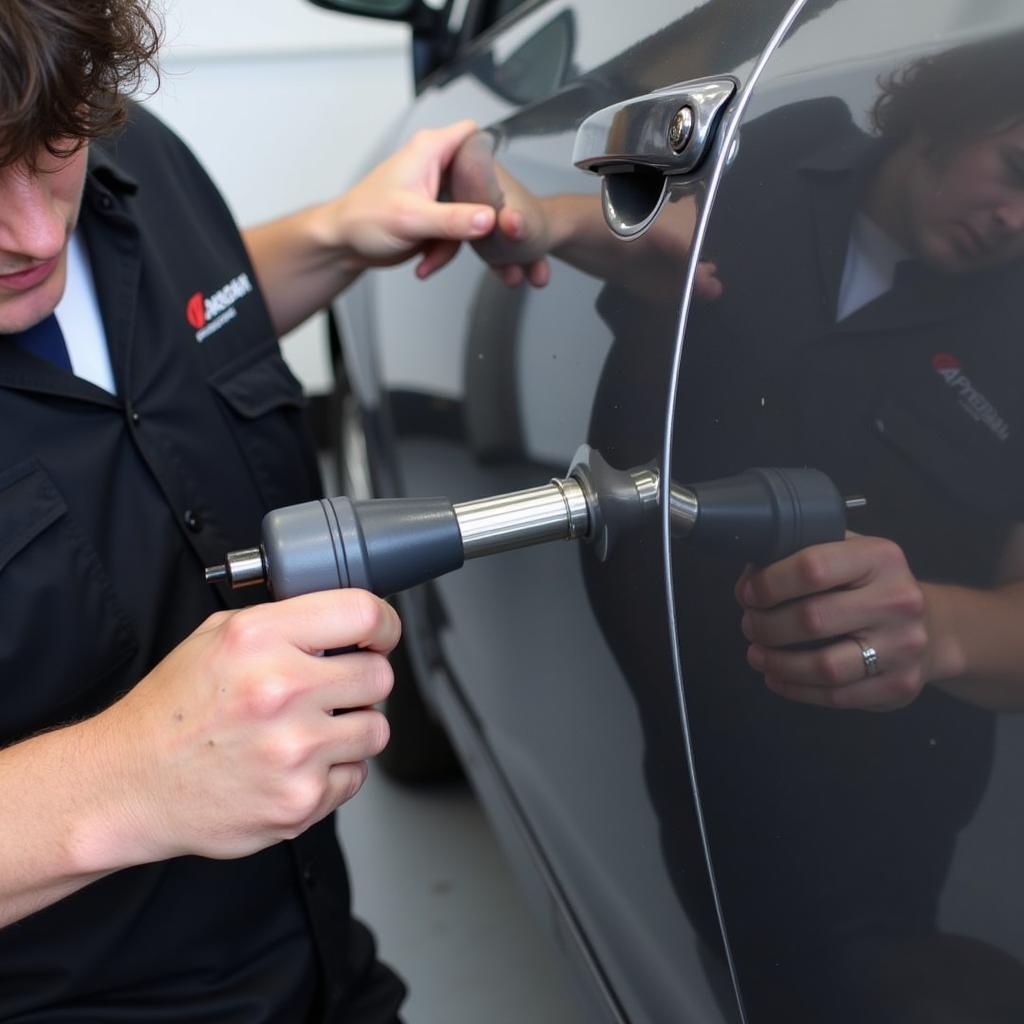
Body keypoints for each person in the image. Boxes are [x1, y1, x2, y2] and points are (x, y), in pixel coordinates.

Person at [450, 29, 1024, 1019]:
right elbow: (655, 241)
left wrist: (933, 626)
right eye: (1014, 169)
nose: (1015, 221)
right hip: (673, 720)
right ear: (951, 111)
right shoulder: (780, 136)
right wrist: (539, 218)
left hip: (858, 798)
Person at [0, 2, 507, 1020]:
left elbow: (176, 324)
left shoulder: (128, 150)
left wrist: (334, 235)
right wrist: (128, 778)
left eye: (53, 149)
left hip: (318, 964)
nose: (38, 230)